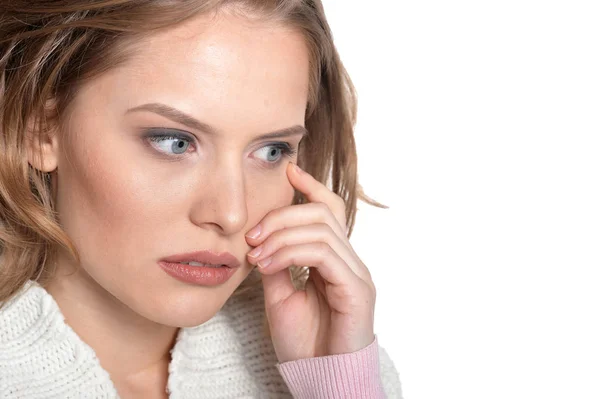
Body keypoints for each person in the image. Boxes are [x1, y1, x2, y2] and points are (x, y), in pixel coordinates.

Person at [0, 1, 403, 397]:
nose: (231, 214)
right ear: (40, 129)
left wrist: (337, 384)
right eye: (174, 142)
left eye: (272, 151)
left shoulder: (343, 367)